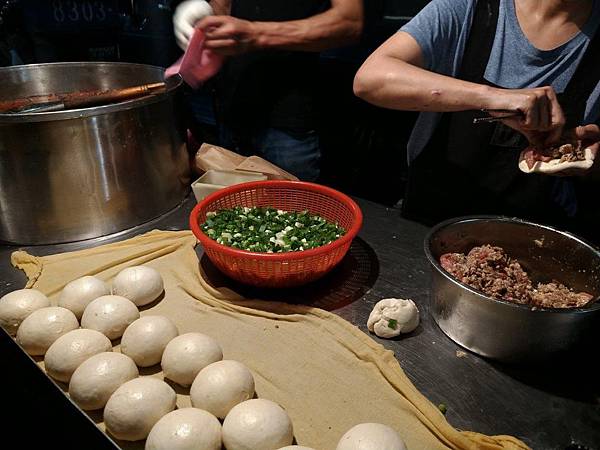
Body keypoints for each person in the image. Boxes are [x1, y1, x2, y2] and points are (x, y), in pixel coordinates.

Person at [353, 0, 600, 242]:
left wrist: (590, 160)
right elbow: (370, 79)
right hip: (428, 225)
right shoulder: (471, 7)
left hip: (534, 243)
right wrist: (492, 97)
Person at [173, 0, 364, 181]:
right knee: (234, 208)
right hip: (230, 106)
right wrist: (204, 15)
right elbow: (224, 7)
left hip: (286, 119)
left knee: (291, 209)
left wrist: (256, 34)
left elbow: (349, 22)